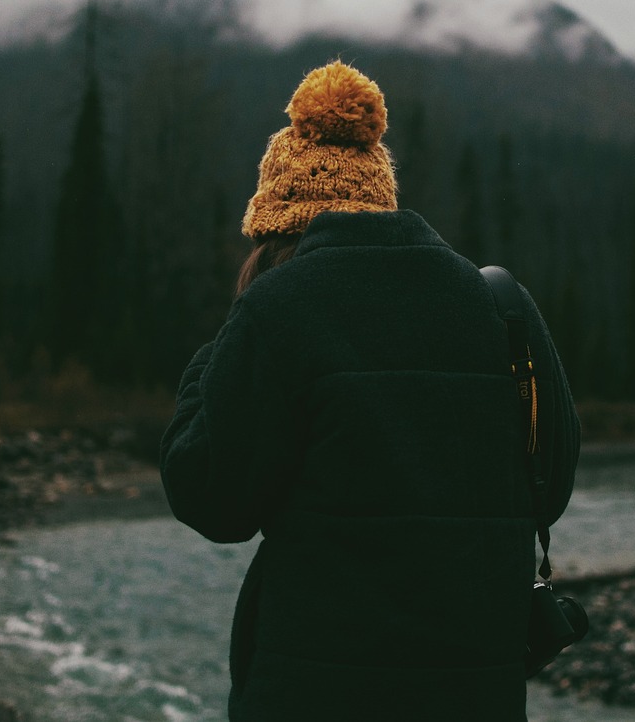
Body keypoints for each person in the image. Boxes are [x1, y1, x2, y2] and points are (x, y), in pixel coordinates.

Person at [160, 61, 581, 721]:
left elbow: (212, 497)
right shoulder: (500, 305)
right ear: (381, 199)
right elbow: (549, 488)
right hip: (475, 694)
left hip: (314, 694)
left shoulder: (279, 310)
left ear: (278, 225)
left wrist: (212, 360)